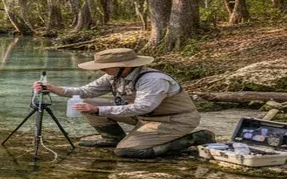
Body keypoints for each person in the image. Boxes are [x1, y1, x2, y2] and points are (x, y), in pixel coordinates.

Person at [33, 48, 213, 159]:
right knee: (85, 102)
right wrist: (54, 89)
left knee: (127, 151)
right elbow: (87, 91)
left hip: (172, 120)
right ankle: (113, 138)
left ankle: (194, 138)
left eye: (104, 66)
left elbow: (144, 106)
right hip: (144, 117)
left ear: (124, 65)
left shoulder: (153, 80)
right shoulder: (113, 75)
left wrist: (98, 110)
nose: (101, 70)